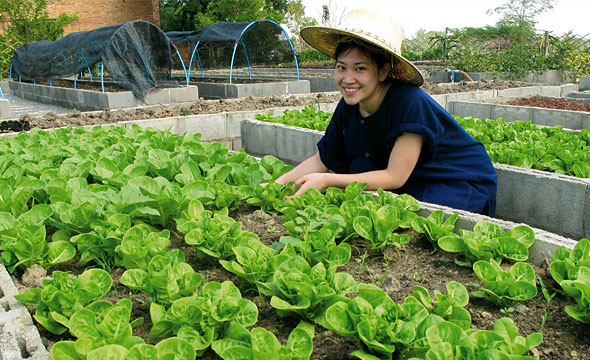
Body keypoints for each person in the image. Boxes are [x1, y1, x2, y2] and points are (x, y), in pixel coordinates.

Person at [274, 8, 497, 216]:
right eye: (341, 67)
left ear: (383, 71)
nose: (347, 79)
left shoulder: (409, 102)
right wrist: (276, 185)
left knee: (414, 221)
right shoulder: (349, 105)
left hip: (454, 179)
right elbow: (323, 158)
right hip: (410, 176)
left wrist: (328, 180)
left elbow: (394, 177)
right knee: (361, 174)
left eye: (360, 68)